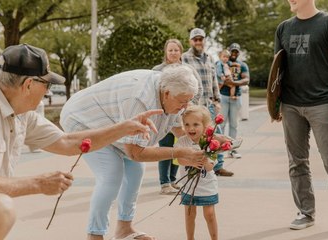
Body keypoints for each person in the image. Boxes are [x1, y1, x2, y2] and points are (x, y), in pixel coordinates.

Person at [0, 44, 164, 240]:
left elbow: (67, 142)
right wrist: (38, 183)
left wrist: (124, 127)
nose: (47, 93)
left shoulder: (18, 112)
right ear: (29, 84)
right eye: (46, 85)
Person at [60, 64, 206, 240]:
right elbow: (135, 153)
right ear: (166, 93)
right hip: (83, 120)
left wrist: (208, 142)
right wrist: (179, 153)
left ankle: (124, 229)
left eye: (188, 101)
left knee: (135, 171)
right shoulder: (140, 99)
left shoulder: (173, 95)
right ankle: (95, 235)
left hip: (111, 120)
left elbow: (179, 131)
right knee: (111, 174)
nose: (185, 107)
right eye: (182, 102)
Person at [274, 0, 328, 236]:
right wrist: (275, 105)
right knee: (297, 161)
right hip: (291, 105)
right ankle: (305, 212)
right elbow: (278, 70)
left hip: (323, 103)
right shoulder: (283, 28)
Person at [153, 39, 203, 195]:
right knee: (166, 147)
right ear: (165, 52)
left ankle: (173, 180)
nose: (173, 53)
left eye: (176, 50)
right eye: (170, 50)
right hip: (164, 114)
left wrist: (188, 104)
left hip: (183, 115)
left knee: (179, 145)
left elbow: (198, 88)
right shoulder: (157, 70)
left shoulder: (188, 70)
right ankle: (164, 183)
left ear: (181, 52)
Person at [182, 28, 233, 177]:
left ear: (204, 41)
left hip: (209, 104)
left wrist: (217, 100)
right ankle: (197, 166)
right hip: (195, 106)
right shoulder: (184, 58)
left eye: (201, 39)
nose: (198, 42)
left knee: (217, 133)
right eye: (195, 39)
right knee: (196, 136)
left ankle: (219, 166)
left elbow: (214, 81)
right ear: (191, 41)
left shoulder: (210, 58)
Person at [175, 105, 219, 240]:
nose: (190, 128)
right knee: (189, 214)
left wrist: (205, 158)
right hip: (189, 188)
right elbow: (180, 160)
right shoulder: (182, 142)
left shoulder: (210, 143)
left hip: (207, 186)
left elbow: (210, 167)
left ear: (205, 126)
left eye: (195, 124)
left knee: (210, 214)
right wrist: (192, 162)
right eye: (187, 124)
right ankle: (190, 238)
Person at [218, 43, 250, 159]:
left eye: (236, 52)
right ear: (229, 51)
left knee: (234, 124)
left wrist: (234, 83)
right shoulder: (224, 62)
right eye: (232, 51)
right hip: (224, 97)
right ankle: (219, 150)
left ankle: (232, 150)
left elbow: (246, 79)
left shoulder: (243, 65)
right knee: (221, 123)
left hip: (236, 97)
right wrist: (226, 82)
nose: (234, 54)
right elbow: (218, 76)